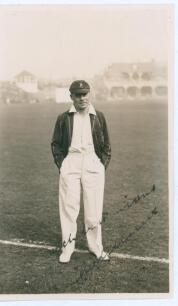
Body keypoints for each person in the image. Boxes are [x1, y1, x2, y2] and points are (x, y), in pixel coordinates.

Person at [51, 80, 111, 263]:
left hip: (93, 162)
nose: (82, 98)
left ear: (89, 95)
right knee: (69, 208)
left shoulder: (98, 116)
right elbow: (55, 144)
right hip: (71, 162)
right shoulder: (64, 118)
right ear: (71, 97)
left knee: (93, 210)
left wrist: (101, 164)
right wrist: (63, 165)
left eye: (85, 94)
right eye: (78, 95)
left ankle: (95, 247)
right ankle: (68, 248)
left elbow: (107, 145)